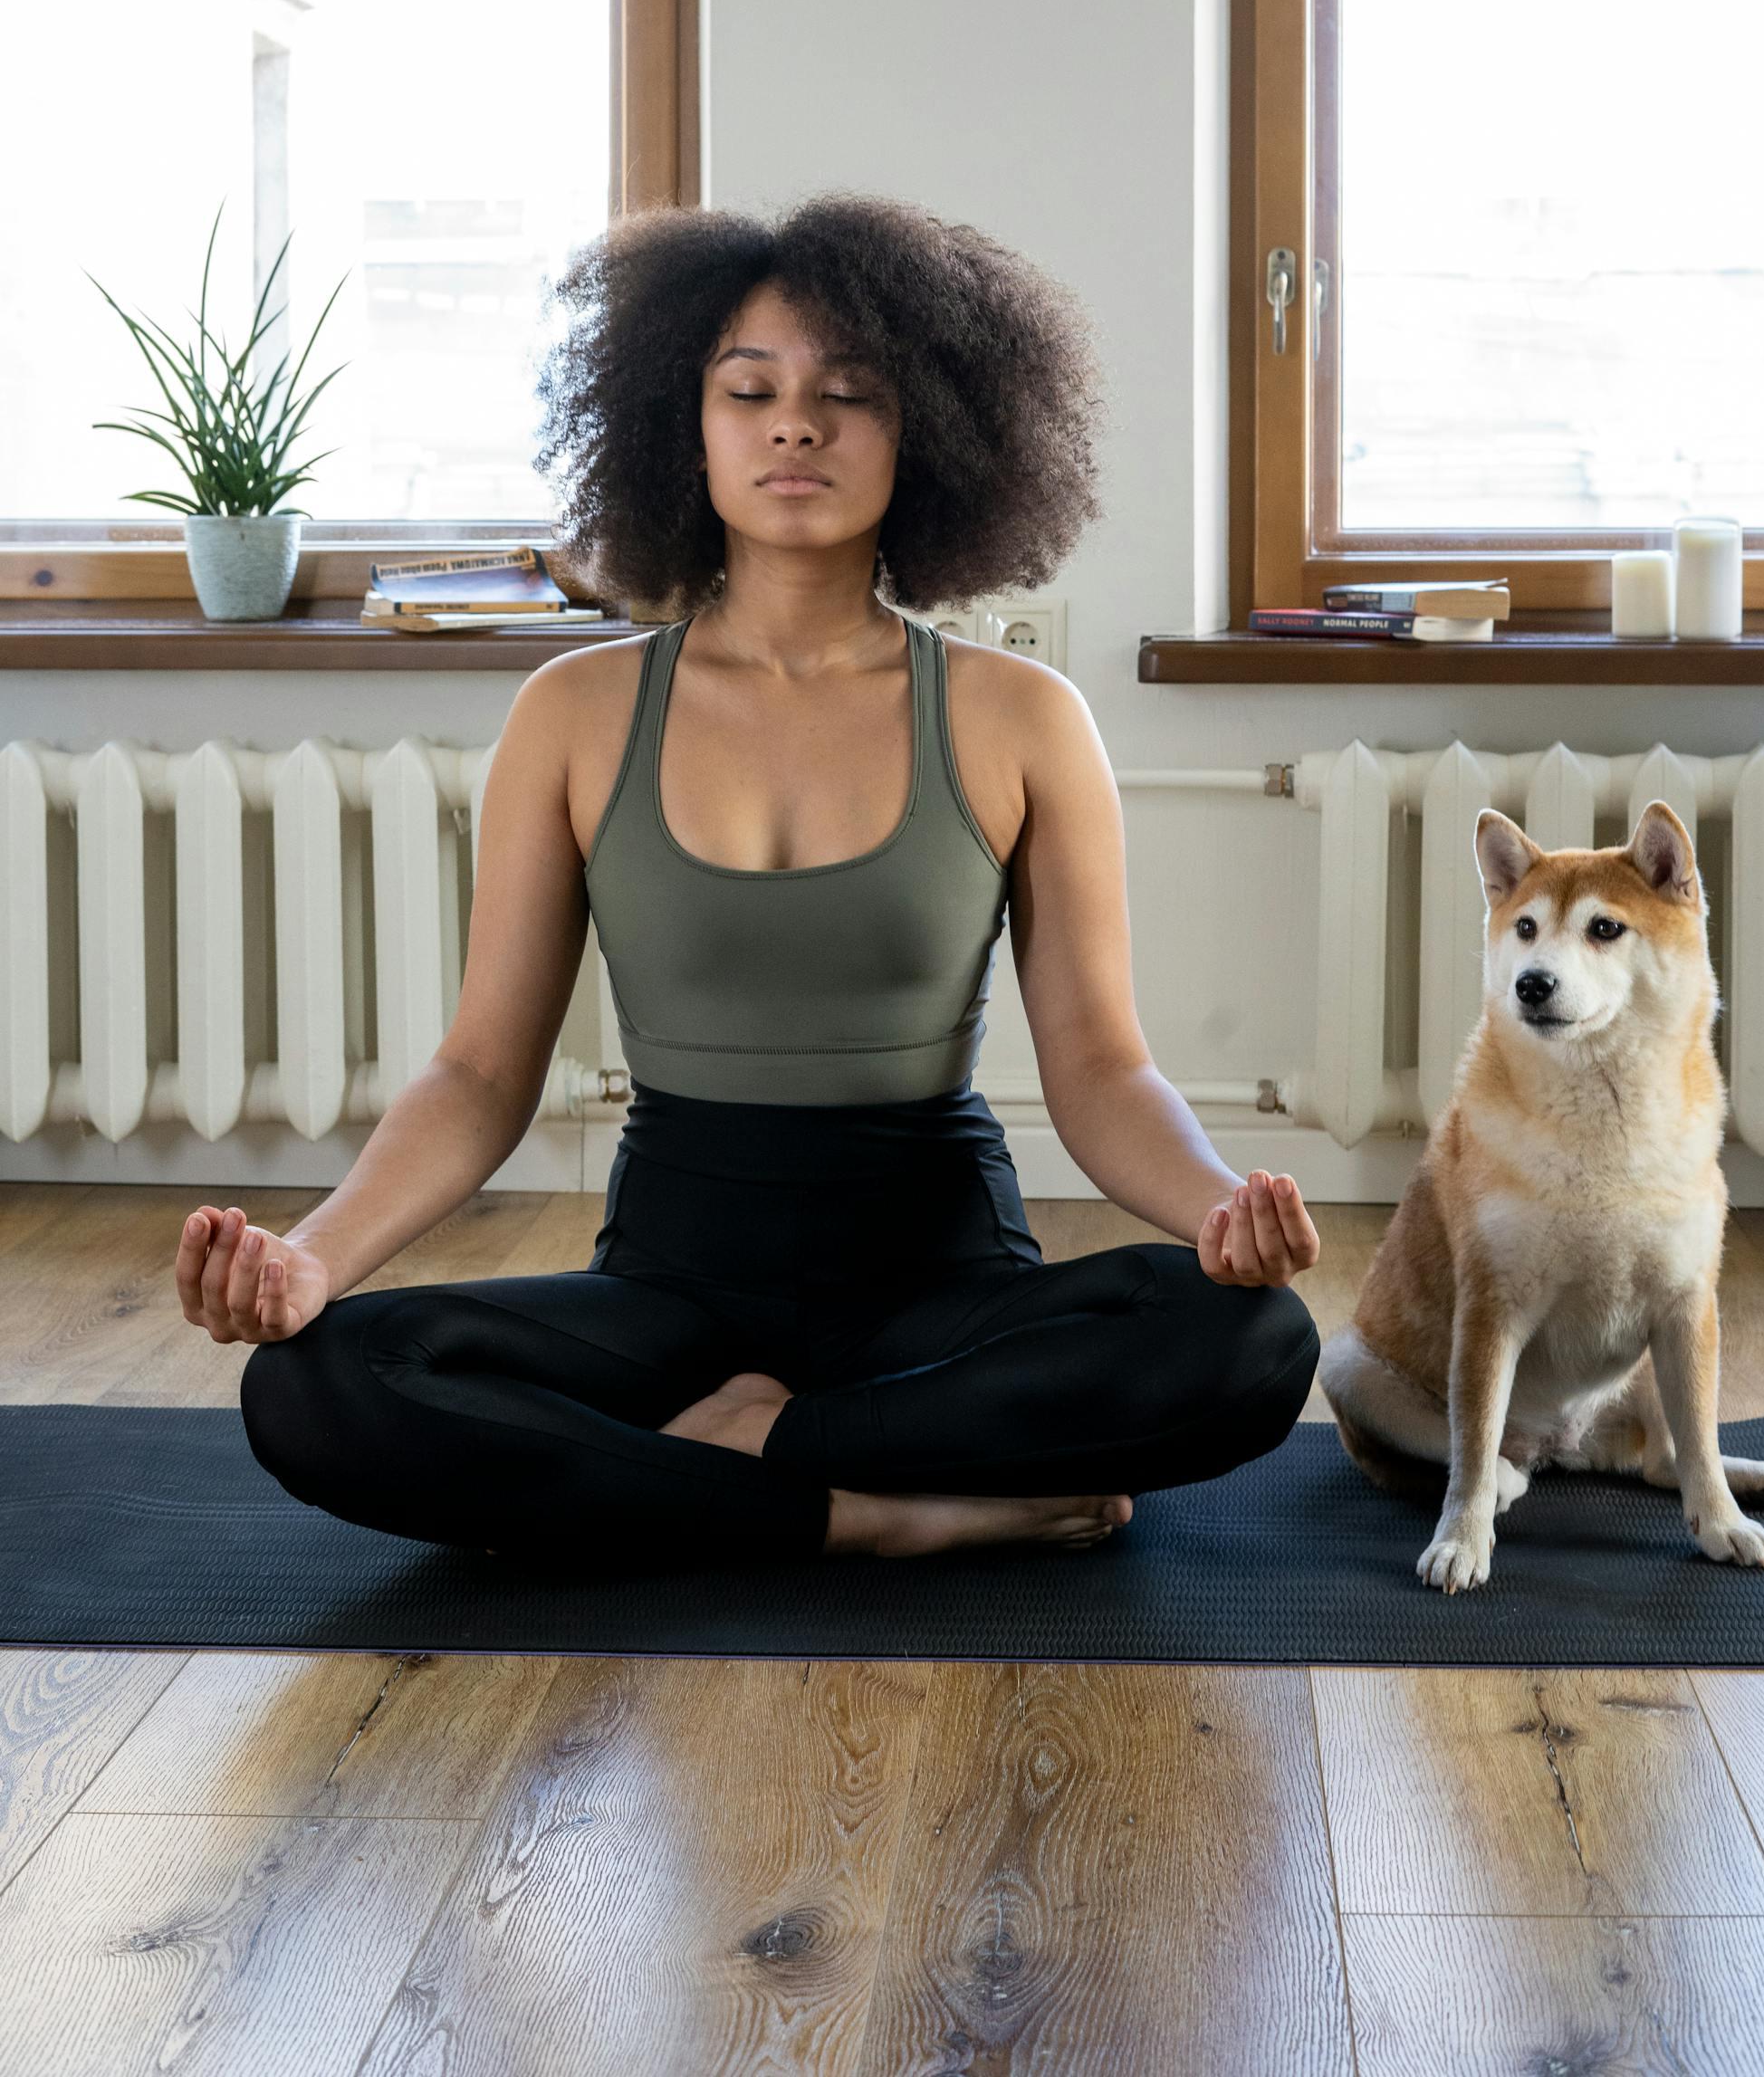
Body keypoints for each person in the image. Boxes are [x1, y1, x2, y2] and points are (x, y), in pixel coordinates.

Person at [179, 192, 1322, 1570]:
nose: (797, 425)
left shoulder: (1021, 717)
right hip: (670, 1288)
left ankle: (734, 1462)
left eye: (850, 395)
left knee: (1253, 1341)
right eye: (750, 391)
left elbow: (1099, 1070)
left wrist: (1214, 1214)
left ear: (934, 435)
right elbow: (482, 1076)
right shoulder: (576, 711)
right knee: (317, 1382)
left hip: (939, 1287)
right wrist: (311, 1260)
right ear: (685, 425)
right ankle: (869, 1506)